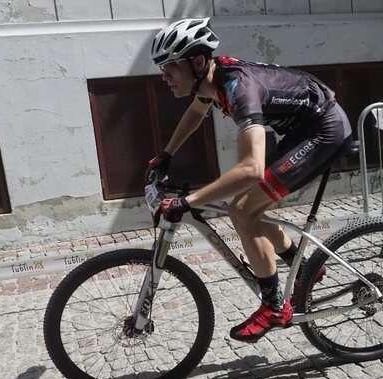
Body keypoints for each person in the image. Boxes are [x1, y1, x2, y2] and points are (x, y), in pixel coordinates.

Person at [147, 17, 352, 343]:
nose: (164, 76)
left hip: (324, 131)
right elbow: (196, 113)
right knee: (249, 206)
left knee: (243, 208)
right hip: (300, 130)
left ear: (197, 62)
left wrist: (188, 202)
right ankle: (302, 268)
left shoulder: (238, 89)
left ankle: (274, 307)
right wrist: (166, 154)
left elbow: (251, 168)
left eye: (170, 67)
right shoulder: (211, 80)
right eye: (162, 68)